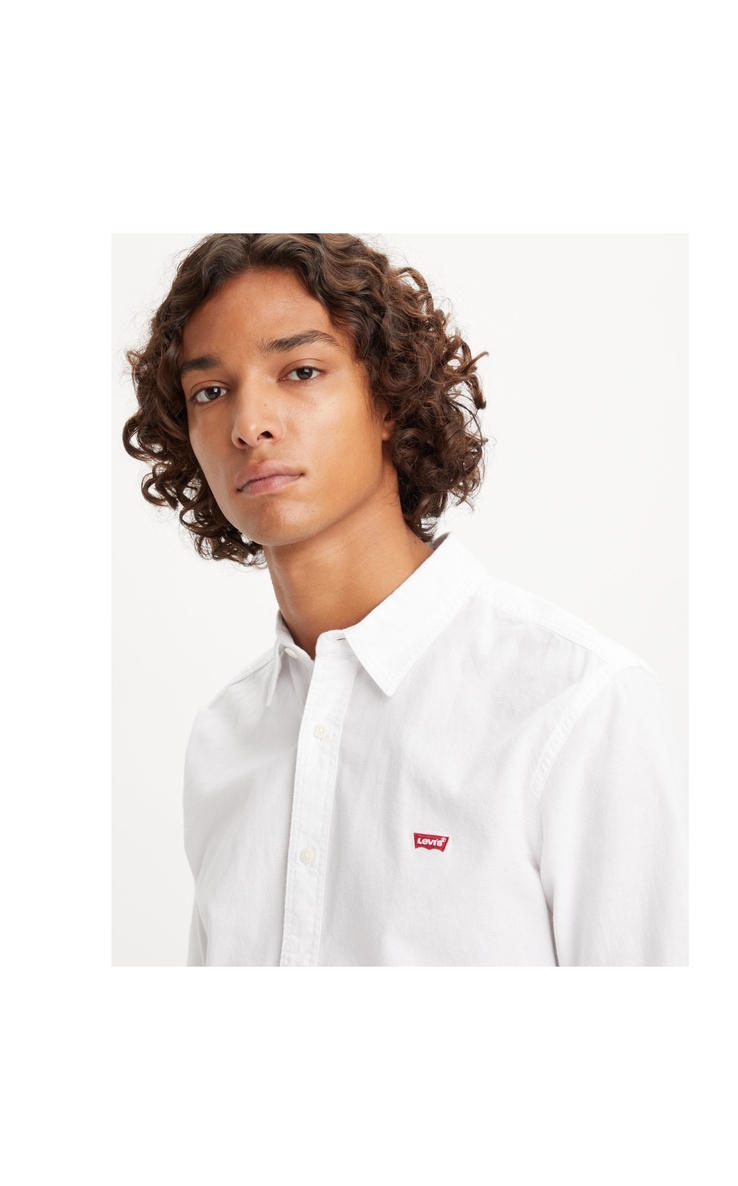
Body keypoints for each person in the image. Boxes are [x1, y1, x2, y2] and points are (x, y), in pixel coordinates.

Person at [122, 232, 688, 967]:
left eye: (301, 371)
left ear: (388, 398)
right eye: (210, 391)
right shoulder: (224, 738)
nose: (248, 424)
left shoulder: (575, 706)